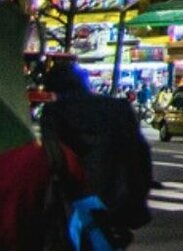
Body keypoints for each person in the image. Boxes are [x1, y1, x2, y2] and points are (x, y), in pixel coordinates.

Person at [37, 62, 153, 248]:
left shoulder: (54, 112)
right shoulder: (119, 108)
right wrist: (139, 193)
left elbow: (54, 158)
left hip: (76, 201)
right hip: (119, 200)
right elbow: (141, 153)